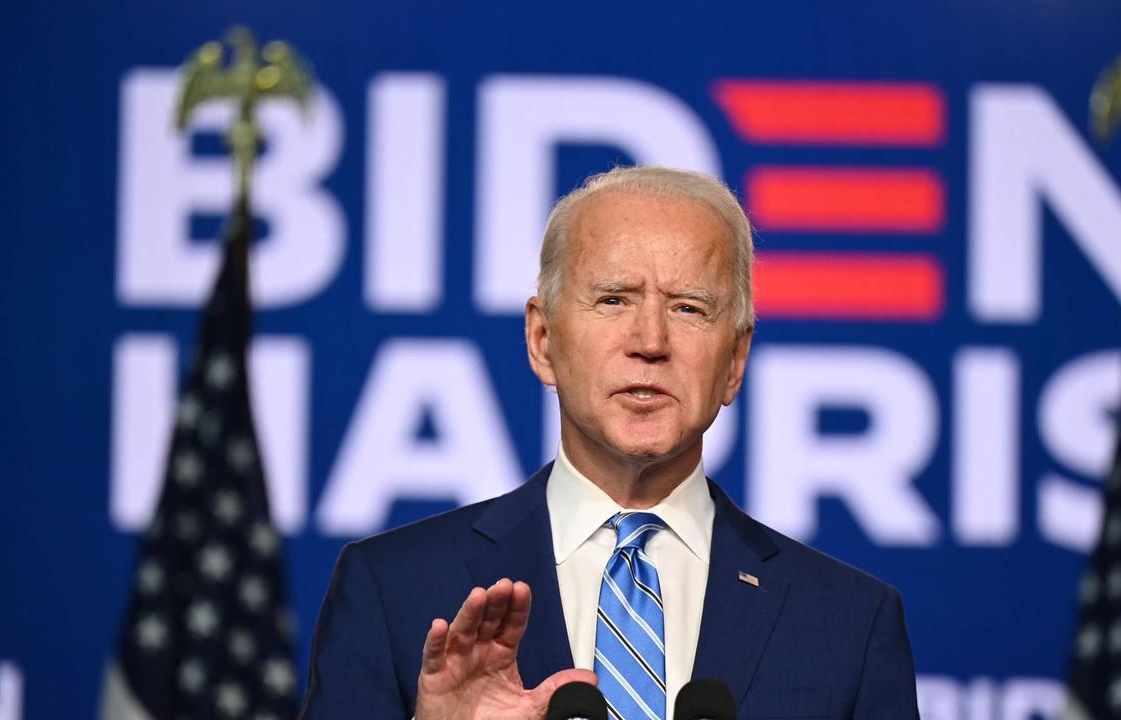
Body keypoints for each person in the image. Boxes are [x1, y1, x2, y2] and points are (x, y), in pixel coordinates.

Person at [300, 166, 919, 719]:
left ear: (735, 360)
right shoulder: (392, 590)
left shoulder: (849, 623)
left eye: (688, 309)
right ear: (543, 341)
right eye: (613, 299)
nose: (649, 340)